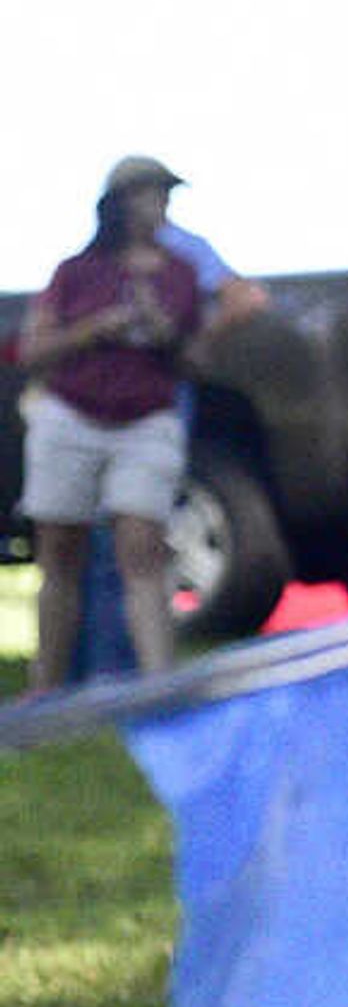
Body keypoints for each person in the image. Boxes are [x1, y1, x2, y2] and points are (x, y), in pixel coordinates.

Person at [16, 156, 209, 691]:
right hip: (71, 416)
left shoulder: (180, 275)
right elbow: (32, 350)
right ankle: (46, 691)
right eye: (153, 194)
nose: (163, 206)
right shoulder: (75, 273)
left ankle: (158, 688)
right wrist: (94, 329)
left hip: (146, 420)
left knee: (143, 548)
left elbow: (196, 361)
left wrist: (162, 329)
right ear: (120, 203)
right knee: (60, 553)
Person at [69, 193, 272, 677]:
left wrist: (195, 339)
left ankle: (127, 676)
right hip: (101, 414)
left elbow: (246, 297)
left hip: (151, 413)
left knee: (134, 541)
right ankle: (108, 674)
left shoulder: (181, 252)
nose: (158, 205)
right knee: (106, 546)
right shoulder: (94, 260)